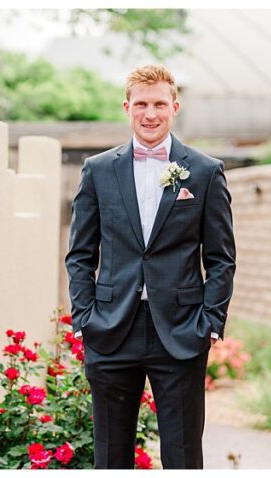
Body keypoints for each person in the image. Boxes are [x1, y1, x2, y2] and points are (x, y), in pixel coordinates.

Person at [65, 64, 236, 469]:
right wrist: (84, 317)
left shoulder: (206, 171)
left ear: (174, 107)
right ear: (127, 107)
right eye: (141, 104)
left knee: (182, 456)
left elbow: (221, 257)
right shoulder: (98, 170)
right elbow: (80, 254)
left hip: (180, 332)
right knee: (111, 456)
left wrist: (209, 322)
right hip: (109, 329)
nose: (150, 113)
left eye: (160, 103)